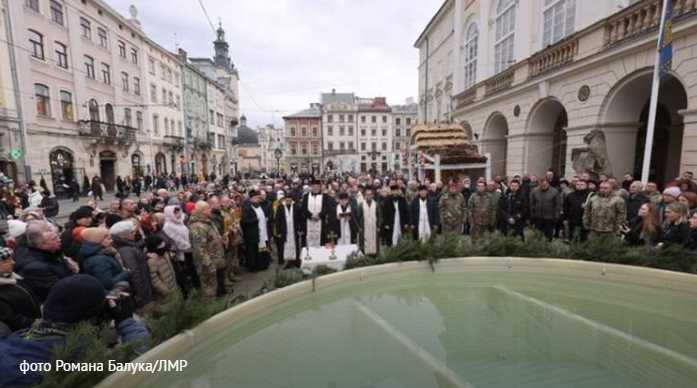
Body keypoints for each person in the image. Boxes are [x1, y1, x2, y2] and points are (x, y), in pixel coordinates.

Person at [0, 275, 150, 387]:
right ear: (91, 316)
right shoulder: (76, 354)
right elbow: (143, 366)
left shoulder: (18, 338)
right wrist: (126, 321)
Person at [15, 222, 78, 303]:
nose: (59, 240)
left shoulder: (50, 252)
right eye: (54, 239)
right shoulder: (36, 268)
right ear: (41, 244)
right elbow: (59, 291)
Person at [110, 220, 153, 309]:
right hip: (142, 291)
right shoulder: (126, 250)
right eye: (132, 232)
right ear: (122, 236)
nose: (135, 233)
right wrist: (140, 294)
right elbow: (134, 272)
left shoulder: (128, 245)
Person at [189, 201, 226, 297]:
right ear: (202, 211)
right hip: (207, 264)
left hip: (215, 258)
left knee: (216, 284)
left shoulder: (207, 221)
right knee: (210, 288)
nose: (210, 210)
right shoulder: (197, 227)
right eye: (208, 208)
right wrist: (208, 264)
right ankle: (211, 307)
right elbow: (199, 249)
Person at [0, 247, 40, 335]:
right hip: (25, 334)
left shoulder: (12, 277)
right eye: (7, 261)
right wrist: (34, 323)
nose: (13, 262)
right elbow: (11, 319)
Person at [241, 191, 272, 272]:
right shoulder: (247, 207)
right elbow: (245, 220)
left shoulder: (258, 205)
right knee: (252, 251)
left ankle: (262, 264)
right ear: (252, 198)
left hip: (262, 232)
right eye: (257, 198)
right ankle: (253, 267)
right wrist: (256, 219)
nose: (259, 199)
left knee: (262, 248)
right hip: (252, 234)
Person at [299, 179, 335, 248]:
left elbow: (326, 208)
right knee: (308, 240)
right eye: (314, 187)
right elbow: (303, 209)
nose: (316, 188)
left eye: (317, 187)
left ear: (320, 187)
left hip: (321, 222)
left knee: (321, 241)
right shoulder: (306, 196)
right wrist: (311, 215)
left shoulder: (325, 196)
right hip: (308, 222)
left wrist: (320, 215)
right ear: (311, 187)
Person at [145, 235, 178, 301]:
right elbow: (154, 280)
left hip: (174, 286)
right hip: (166, 292)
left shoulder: (164, 253)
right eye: (160, 245)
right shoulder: (151, 261)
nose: (163, 247)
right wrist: (165, 291)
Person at [275, 194, 301, 267]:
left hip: (294, 230)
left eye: (290, 200)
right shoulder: (280, 207)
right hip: (284, 230)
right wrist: (278, 231)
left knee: (295, 245)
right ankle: (287, 262)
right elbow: (277, 220)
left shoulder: (296, 207)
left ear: (292, 200)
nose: (288, 201)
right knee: (285, 246)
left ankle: (296, 261)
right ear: (284, 200)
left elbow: (300, 219)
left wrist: (300, 229)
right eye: (287, 200)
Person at [356, 188, 380, 256]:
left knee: (374, 242)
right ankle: (364, 257)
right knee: (364, 243)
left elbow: (379, 216)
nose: (368, 196)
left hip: (373, 227)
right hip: (364, 227)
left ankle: (375, 257)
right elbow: (358, 217)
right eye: (367, 194)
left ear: (372, 195)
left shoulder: (376, 204)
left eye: (370, 194)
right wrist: (359, 227)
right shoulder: (361, 205)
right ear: (365, 195)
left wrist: (378, 226)